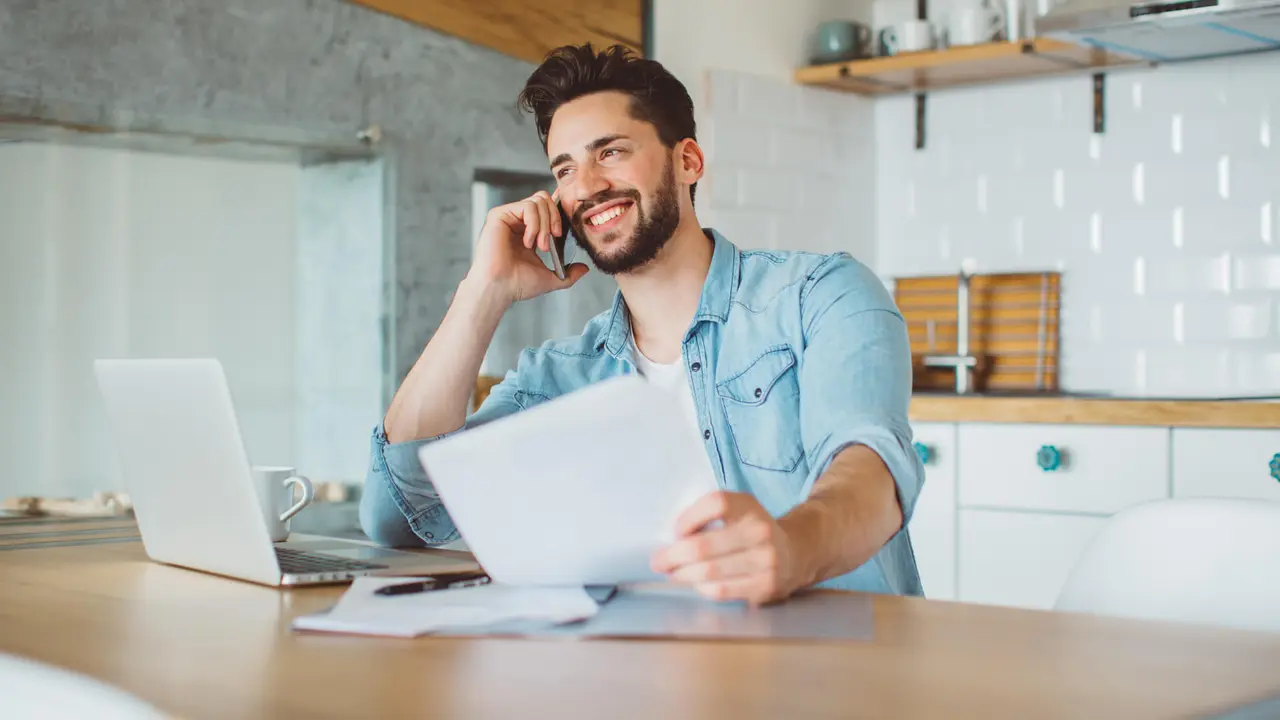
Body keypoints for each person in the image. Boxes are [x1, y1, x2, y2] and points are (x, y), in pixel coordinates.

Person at [360, 43, 925, 604]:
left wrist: (792, 549)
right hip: (642, 680)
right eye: (565, 168)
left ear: (688, 162)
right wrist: (483, 293)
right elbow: (401, 513)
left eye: (609, 153)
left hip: (836, 676)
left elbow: (873, 474)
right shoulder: (557, 378)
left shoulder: (819, 296)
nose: (585, 186)